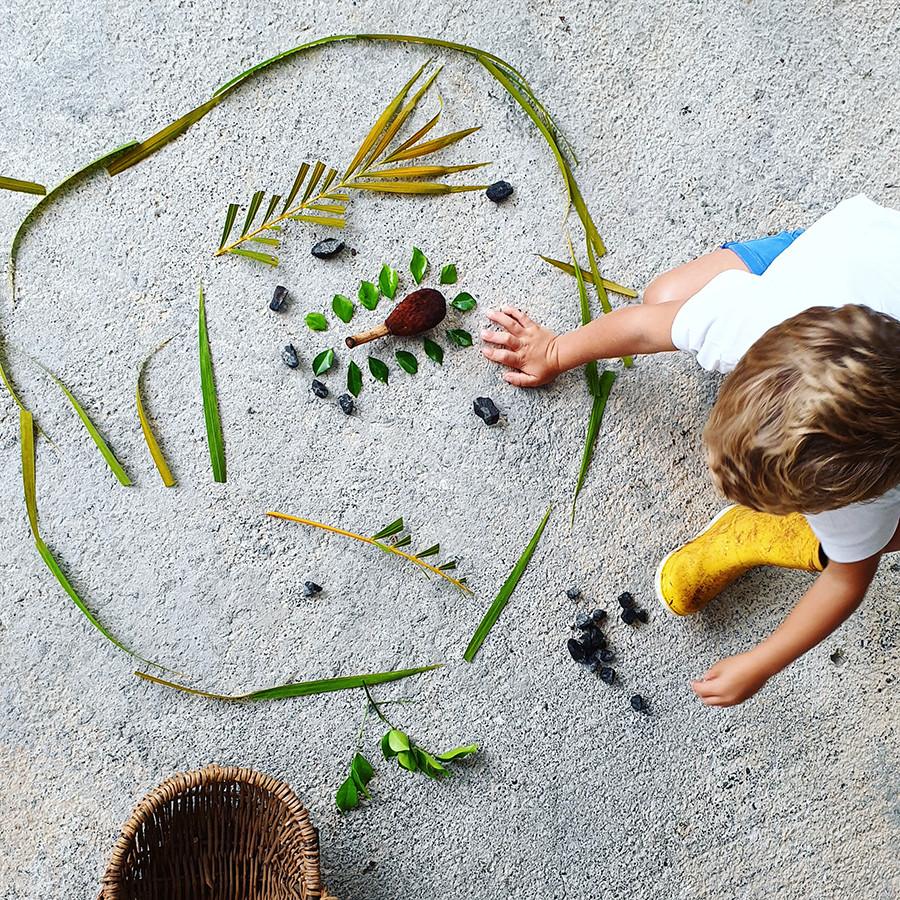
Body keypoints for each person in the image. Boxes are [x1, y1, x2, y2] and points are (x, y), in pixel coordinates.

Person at [480, 195, 900, 707]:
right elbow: (639, 325)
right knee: (664, 296)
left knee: (870, 541)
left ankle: (790, 536)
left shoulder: (868, 489)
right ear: (754, 357)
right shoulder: (749, 317)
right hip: (843, 259)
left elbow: (847, 581)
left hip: (853, 279)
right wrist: (555, 350)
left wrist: (763, 661)